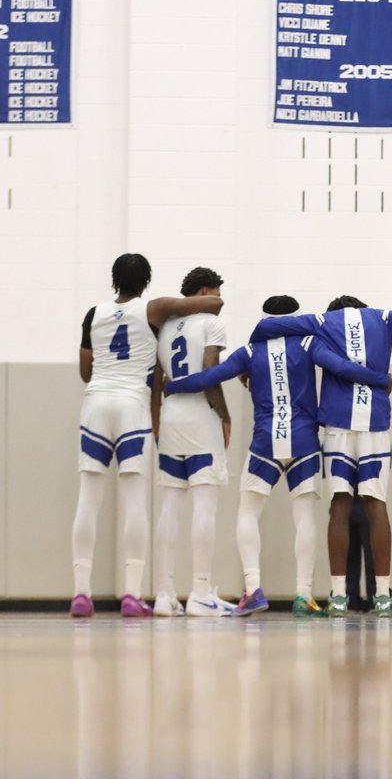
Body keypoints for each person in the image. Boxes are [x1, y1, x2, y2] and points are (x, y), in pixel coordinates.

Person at [165, 295, 392, 617]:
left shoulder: (250, 351)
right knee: (304, 517)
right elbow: (341, 367)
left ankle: (253, 588)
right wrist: (379, 379)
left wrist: (173, 387)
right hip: (304, 441)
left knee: (248, 512)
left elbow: (210, 377)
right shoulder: (307, 345)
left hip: (265, 442)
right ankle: (303, 596)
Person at [248, 297, 392, 617]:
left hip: (338, 424)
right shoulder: (384, 317)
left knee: (340, 502)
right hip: (376, 424)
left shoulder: (323, 322)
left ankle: (338, 596)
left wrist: (254, 355)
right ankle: (382, 596)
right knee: (375, 503)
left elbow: (266, 326)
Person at [71, 253, 224, 618]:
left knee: (88, 500)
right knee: (134, 501)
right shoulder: (154, 309)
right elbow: (213, 302)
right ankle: (131, 593)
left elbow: (85, 371)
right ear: (147, 280)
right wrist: (178, 304)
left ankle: (81, 593)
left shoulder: (93, 314)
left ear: (114, 280)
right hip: (132, 407)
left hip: (95, 404)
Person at [150, 266, 235, 617]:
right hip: (201, 416)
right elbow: (209, 374)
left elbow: (156, 380)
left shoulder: (165, 325)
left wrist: (156, 420)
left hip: (171, 416)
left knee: (170, 503)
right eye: (214, 293)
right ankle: (201, 591)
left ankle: (164, 594)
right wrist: (226, 415)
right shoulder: (211, 323)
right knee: (205, 504)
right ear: (203, 292)